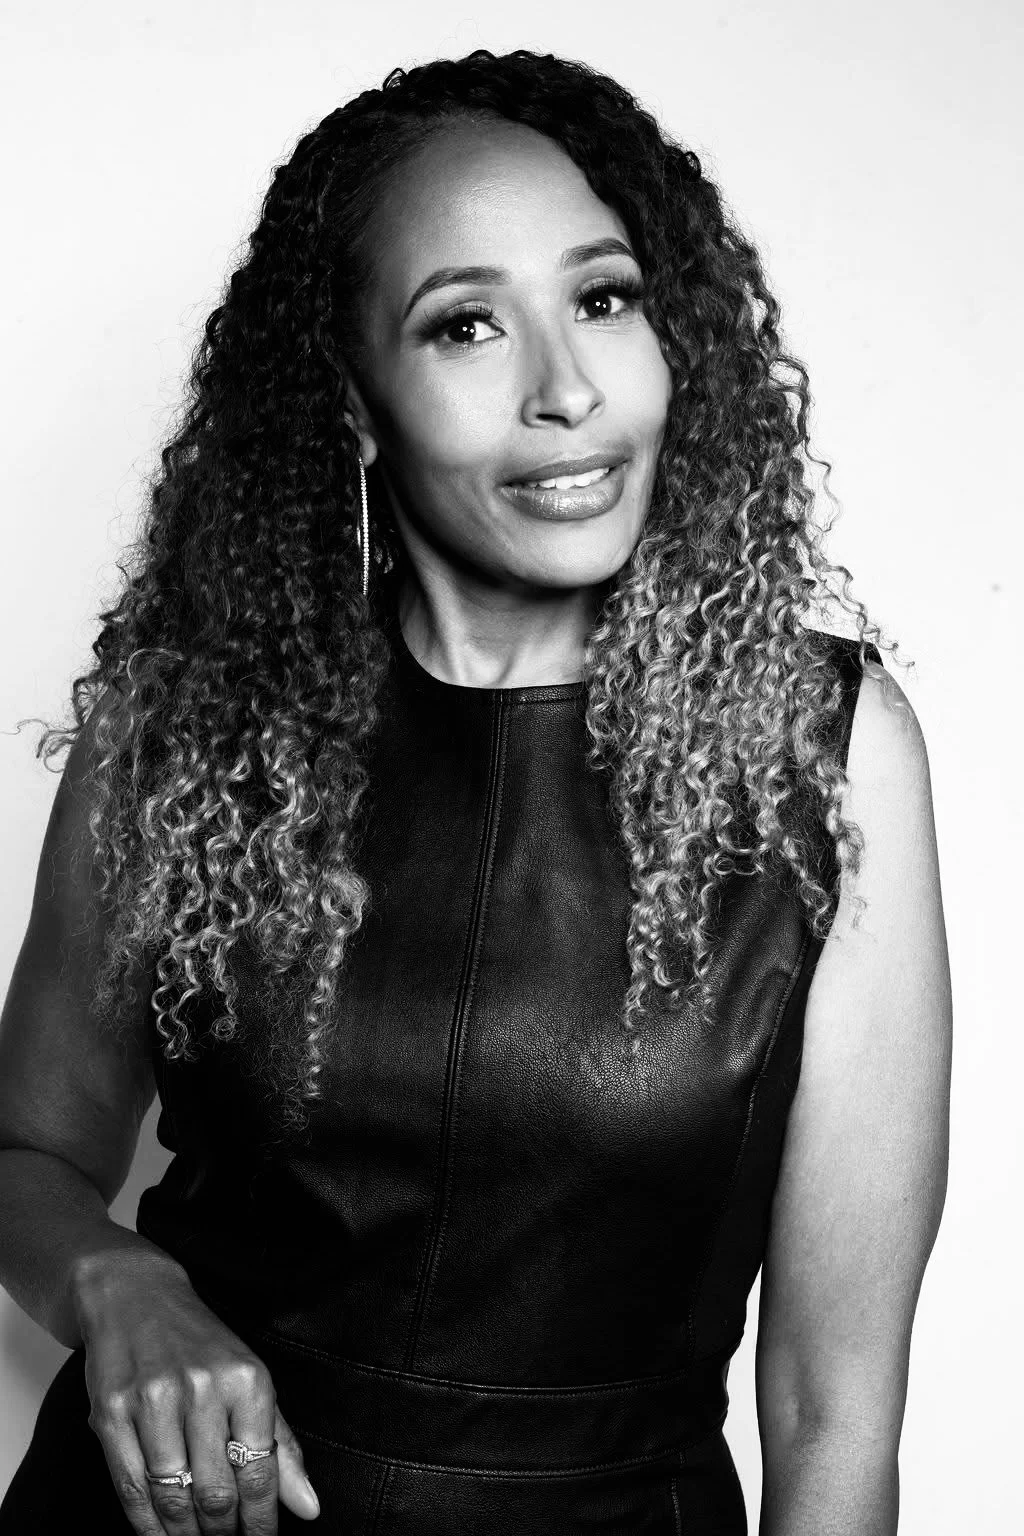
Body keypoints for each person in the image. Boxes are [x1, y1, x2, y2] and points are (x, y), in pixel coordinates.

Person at [0, 47, 951, 1536]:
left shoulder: (822, 750)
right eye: (464, 327)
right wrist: (119, 1281)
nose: (568, 391)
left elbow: (835, 1414)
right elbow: (29, 1155)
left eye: (605, 297)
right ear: (356, 405)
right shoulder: (181, 733)